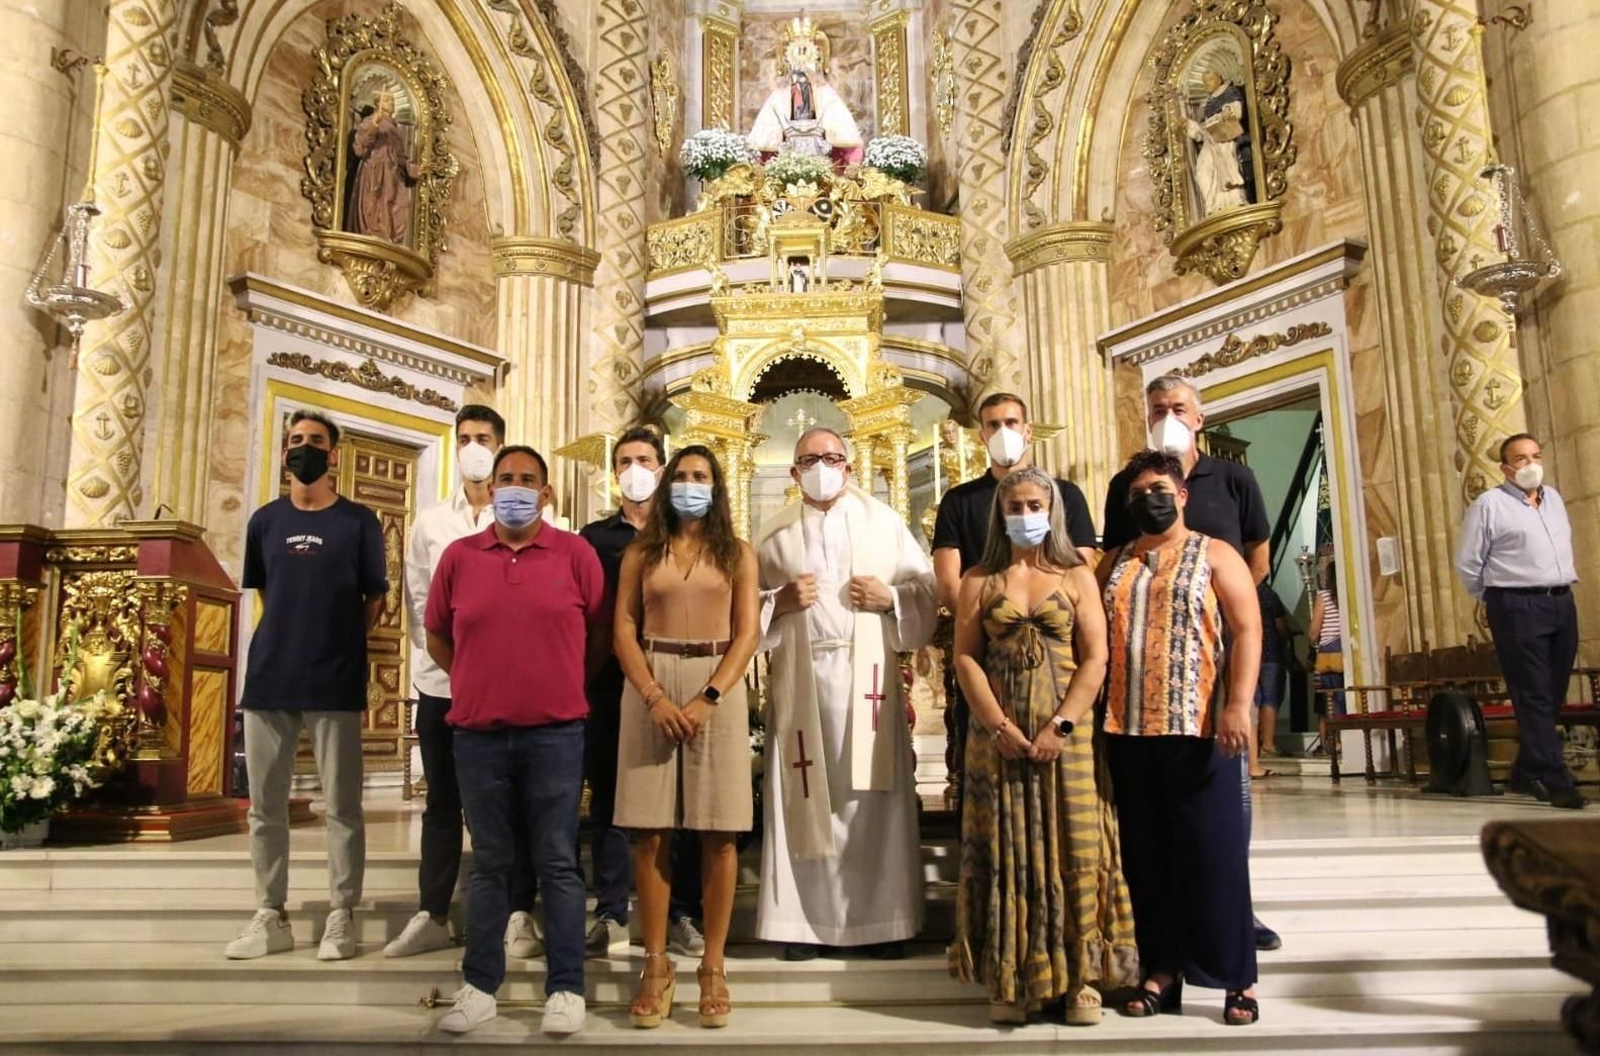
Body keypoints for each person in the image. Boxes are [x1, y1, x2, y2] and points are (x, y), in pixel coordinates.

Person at [949, 467, 1138, 1025]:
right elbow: (964, 656)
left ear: (1051, 511)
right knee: (1006, 845)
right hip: (999, 737)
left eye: (1035, 504)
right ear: (1000, 513)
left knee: (1076, 843)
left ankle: (1081, 976)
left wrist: (1062, 725)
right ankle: (1010, 975)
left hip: (1066, 735)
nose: (1025, 514)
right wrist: (997, 725)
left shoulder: (1078, 575)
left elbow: (1097, 656)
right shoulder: (979, 579)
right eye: (1015, 506)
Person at [423, 445, 602, 1036]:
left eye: (529, 480)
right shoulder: (459, 556)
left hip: (555, 732)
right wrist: (480, 680)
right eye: (507, 479)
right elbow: (438, 638)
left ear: (547, 495)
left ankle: (567, 988)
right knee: (490, 864)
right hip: (477, 734)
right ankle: (478, 987)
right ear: (491, 489)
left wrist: (554, 682)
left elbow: (597, 636)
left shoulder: (575, 554)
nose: (516, 488)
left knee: (557, 861)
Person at [1100, 374, 1279, 952]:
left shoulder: (1233, 477)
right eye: (1157, 409)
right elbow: (1110, 562)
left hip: (1220, 648)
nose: (1167, 415)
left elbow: (1258, 554)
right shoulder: (1126, 484)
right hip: (1143, 676)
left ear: (1199, 417)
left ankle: (1235, 918)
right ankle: (1164, 939)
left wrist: (1214, 600)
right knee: (1152, 820)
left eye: (1178, 407)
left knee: (1224, 812)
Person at [756, 428, 938, 962]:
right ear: (793, 473)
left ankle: (884, 921)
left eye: (832, 458)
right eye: (810, 459)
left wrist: (890, 597)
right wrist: (779, 600)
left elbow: (926, 592)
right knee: (803, 793)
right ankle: (802, 924)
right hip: (802, 680)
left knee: (871, 798)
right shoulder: (772, 534)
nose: (822, 467)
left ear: (850, 467)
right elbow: (743, 606)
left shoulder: (884, 523)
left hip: (869, 679)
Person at [224, 410, 387, 962]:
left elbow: (375, 597)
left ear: (334, 454)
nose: (304, 448)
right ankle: (270, 913)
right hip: (271, 673)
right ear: (284, 451)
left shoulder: (360, 521)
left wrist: (339, 643)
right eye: (296, 440)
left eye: (316, 441)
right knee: (264, 807)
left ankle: (342, 913)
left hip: (334, 676)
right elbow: (266, 593)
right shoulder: (264, 522)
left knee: (342, 806)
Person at [613, 446, 761, 1029]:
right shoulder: (641, 551)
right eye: (682, 477)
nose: (689, 485)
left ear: (716, 487)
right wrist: (652, 694)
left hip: (716, 682)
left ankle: (713, 966)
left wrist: (708, 699)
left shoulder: (738, 554)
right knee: (649, 831)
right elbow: (622, 625)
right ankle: (655, 965)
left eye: (701, 477)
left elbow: (747, 633)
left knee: (718, 833)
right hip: (650, 681)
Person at [388, 406, 541, 961]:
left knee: (511, 804)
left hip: (509, 688)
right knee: (443, 803)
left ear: (501, 446)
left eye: (484, 438)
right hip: (444, 685)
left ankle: (518, 913)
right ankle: (432, 913)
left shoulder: (522, 517)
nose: (473, 446)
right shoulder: (431, 523)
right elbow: (419, 607)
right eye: (466, 439)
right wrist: (453, 666)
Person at [931, 392, 1098, 801]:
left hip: (1058, 658)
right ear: (981, 434)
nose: (1002, 432)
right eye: (992, 424)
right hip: (988, 653)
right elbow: (950, 578)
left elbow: (1080, 568)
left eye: (1011, 423)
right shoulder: (960, 500)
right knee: (989, 771)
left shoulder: (1066, 494)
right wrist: (989, 625)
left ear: (1028, 431)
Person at [579, 427, 706, 958]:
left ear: (661, 468)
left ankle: (683, 913)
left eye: (646, 459)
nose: (636, 468)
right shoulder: (593, 538)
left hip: (680, 678)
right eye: (626, 460)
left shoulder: (689, 535)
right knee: (612, 797)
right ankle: (611, 910)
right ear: (614, 472)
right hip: (610, 683)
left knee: (685, 802)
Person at [1455, 433, 1585, 809]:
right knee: (1533, 694)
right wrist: (1499, 598)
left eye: (1536, 456)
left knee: (1553, 690)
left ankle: (1526, 769)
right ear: (1506, 467)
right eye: (1522, 459)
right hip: (1516, 604)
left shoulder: (1554, 499)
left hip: (1560, 600)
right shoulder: (1489, 505)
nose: (1531, 464)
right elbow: (1468, 562)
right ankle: (1553, 778)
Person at [350, 90, 421, 243]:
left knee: (397, 206)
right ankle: (373, 234)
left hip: (392, 174)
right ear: (378, 102)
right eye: (388, 100)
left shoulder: (395, 130)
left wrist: (414, 169)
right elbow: (359, 147)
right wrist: (374, 123)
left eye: (392, 101)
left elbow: (400, 156)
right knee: (373, 205)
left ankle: (390, 237)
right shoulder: (370, 121)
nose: (391, 103)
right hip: (374, 171)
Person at [1252, 581, 1292, 776]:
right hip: (1270, 653)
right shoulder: (1268, 594)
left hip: (1247, 656)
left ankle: (1254, 747)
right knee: (1270, 699)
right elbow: (1282, 626)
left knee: (1253, 701)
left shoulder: (1239, 587)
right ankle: (1268, 743)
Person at [1309, 559, 1345, 753]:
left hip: (1329, 650)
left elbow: (1314, 630)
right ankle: (1345, 739)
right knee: (1343, 697)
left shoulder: (1323, 596)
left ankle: (1332, 742)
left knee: (1327, 700)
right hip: (1346, 648)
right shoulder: (1347, 595)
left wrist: (1312, 640)